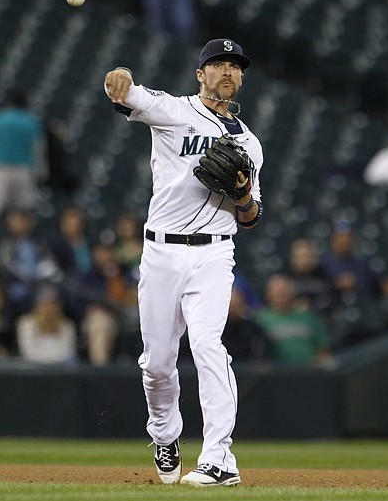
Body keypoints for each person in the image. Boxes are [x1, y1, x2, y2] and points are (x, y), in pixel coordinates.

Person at [104, 38, 264, 486]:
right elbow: (128, 94)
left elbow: (252, 217)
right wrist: (119, 79)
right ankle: (164, 435)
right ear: (201, 74)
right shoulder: (174, 111)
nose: (227, 72)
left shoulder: (249, 143)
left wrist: (242, 196)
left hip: (215, 251)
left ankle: (220, 459)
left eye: (235, 66)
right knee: (156, 365)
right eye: (218, 65)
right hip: (160, 253)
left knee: (210, 346)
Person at [0, 89, 44, 214]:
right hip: (25, 172)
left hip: (0, 169)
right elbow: (38, 151)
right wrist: (41, 174)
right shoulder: (32, 122)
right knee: (24, 213)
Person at [0, 208, 62, 317]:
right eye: (18, 220)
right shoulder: (7, 243)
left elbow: (49, 258)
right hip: (18, 284)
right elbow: (5, 264)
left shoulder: (38, 241)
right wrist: (24, 274)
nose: (22, 224)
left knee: (52, 296)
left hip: (40, 283)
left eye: (25, 220)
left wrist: (47, 269)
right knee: (20, 296)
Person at [255, 273, 331, 367]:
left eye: (284, 292)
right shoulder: (260, 320)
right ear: (268, 294)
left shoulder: (308, 317)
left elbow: (323, 348)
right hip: (275, 375)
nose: (281, 296)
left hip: (308, 372)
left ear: (293, 293)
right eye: (277, 293)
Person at [16, 284, 77, 364]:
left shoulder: (67, 326)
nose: (49, 309)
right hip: (34, 370)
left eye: (53, 305)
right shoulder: (26, 323)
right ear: (38, 306)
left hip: (60, 371)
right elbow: (28, 354)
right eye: (45, 305)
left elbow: (67, 354)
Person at [287, 237, 338, 316]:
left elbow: (331, 302)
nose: (304, 260)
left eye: (307, 256)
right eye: (300, 257)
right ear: (293, 258)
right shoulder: (286, 279)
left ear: (314, 257)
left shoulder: (325, 277)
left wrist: (311, 306)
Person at [221, 286, 268, 364]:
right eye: (231, 305)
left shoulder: (252, 328)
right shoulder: (217, 330)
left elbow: (260, 351)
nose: (234, 309)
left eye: (237, 304)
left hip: (248, 372)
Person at [50, 206, 93, 279]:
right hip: (68, 284)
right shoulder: (55, 247)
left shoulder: (93, 244)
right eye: (67, 224)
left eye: (75, 223)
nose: (73, 227)